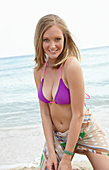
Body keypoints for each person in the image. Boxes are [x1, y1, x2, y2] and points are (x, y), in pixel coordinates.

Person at [33, 14, 109, 170]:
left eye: (57, 39)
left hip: (83, 128)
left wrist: (67, 159)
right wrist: (52, 154)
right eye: (46, 39)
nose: (52, 45)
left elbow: (78, 114)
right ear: (39, 41)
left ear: (65, 39)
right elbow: (45, 114)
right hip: (58, 135)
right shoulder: (38, 71)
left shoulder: (71, 66)